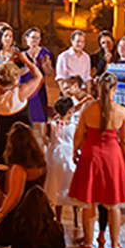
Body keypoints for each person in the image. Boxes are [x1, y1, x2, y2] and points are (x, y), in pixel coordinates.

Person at [68, 72, 125, 248]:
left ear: (97, 88)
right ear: (114, 88)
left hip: (90, 154)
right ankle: (115, 245)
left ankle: (88, 243)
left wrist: (74, 150)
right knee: (113, 203)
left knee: (89, 202)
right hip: (112, 157)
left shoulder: (88, 109)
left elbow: (79, 134)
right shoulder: (121, 111)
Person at [0, 54, 44, 185]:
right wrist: (27, 61)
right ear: (15, 79)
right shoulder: (19, 93)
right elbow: (39, 77)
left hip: (1, 145)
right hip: (20, 146)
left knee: (2, 182)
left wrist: (7, 64)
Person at [0, 122, 47, 233]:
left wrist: (0, 216)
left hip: (18, 217)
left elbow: (15, 196)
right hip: (36, 213)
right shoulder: (41, 163)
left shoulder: (19, 168)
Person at [43, 97, 80, 226]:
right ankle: (76, 218)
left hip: (55, 156)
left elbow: (47, 138)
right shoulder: (74, 126)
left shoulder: (52, 125)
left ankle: (58, 218)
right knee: (71, 186)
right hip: (69, 156)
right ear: (70, 111)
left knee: (57, 186)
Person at [22, 27, 54, 135]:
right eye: (32, 38)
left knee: (40, 119)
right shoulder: (22, 55)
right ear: (26, 39)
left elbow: (49, 72)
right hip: (25, 90)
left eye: (37, 38)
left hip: (38, 90)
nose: (35, 41)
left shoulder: (43, 52)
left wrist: (44, 65)